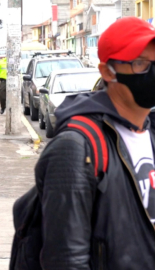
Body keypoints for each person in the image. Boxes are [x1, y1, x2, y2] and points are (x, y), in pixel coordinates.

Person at [35, 17, 155, 269]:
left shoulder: (151, 131)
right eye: (140, 63)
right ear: (107, 72)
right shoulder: (76, 147)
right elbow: (65, 259)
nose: (151, 72)